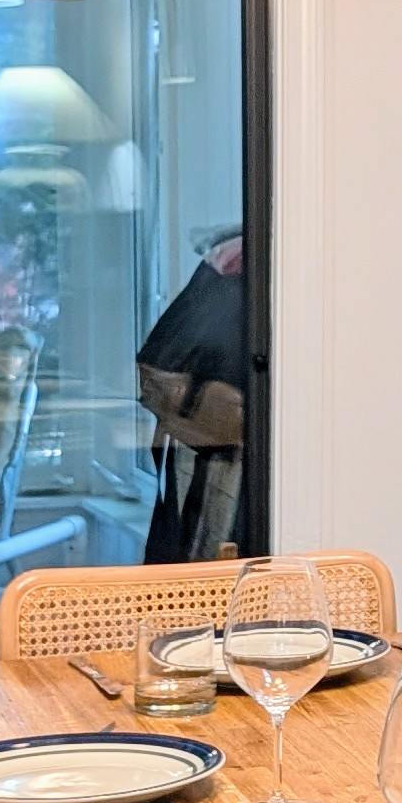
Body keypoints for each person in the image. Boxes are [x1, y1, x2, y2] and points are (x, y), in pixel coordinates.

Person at [135, 228, 249, 560]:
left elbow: (153, 371)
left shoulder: (226, 267)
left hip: (200, 448)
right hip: (205, 452)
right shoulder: (233, 269)